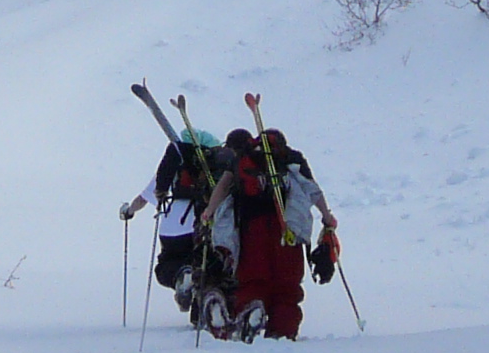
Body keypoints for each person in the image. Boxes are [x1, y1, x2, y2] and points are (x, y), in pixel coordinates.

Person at [204, 125, 338, 341]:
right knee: (287, 285)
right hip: (287, 229)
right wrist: (327, 216)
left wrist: (209, 211)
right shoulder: (292, 158)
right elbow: (312, 189)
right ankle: (282, 331)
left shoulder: (243, 158)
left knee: (252, 280)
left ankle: (250, 312)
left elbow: (223, 186)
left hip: (250, 228)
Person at [120, 124, 223, 313]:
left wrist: (129, 211)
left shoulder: (172, 167)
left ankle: (180, 276)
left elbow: (144, 198)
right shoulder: (212, 168)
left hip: (170, 228)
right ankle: (201, 310)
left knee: (166, 267)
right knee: (203, 266)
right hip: (200, 225)